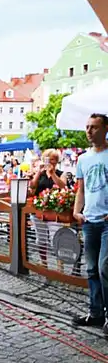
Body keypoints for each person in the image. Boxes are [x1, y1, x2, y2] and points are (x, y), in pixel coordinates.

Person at [73, 113, 108, 336]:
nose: (88, 131)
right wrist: (77, 211)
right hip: (89, 220)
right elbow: (81, 188)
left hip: (106, 222)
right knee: (92, 269)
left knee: (105, 268)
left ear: (105, 129)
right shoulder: (83, 159)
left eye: (93, 127)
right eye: (87, 127)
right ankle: (96, 313)